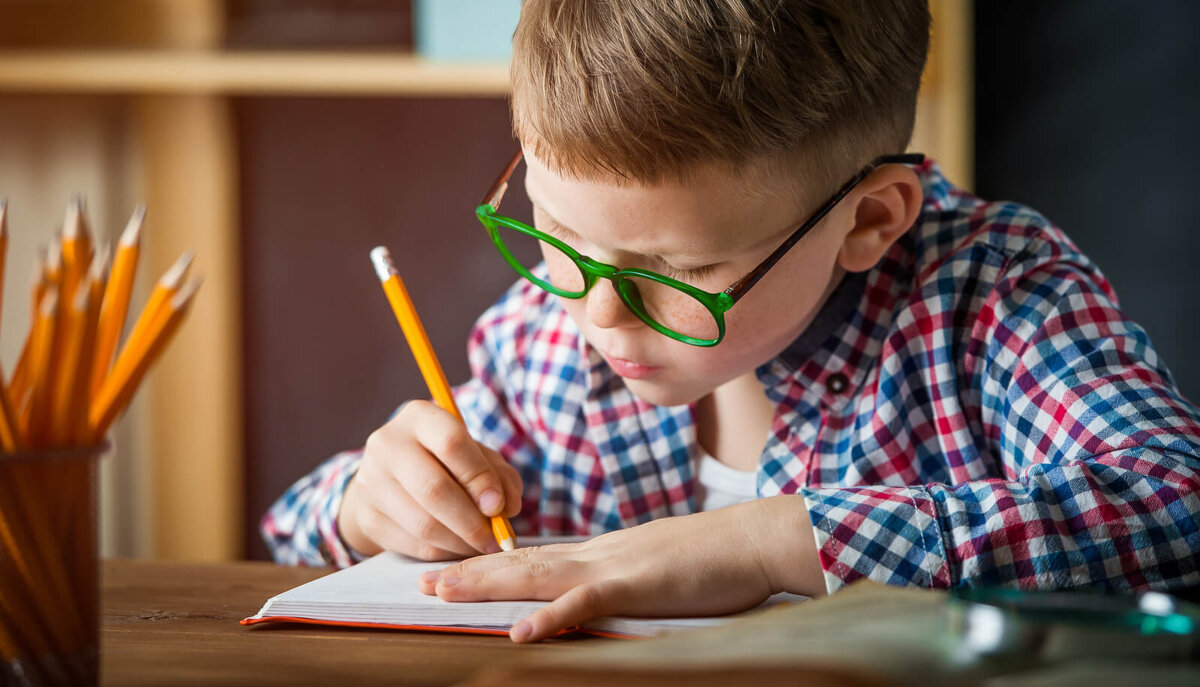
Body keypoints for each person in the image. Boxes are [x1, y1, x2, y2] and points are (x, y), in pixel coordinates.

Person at [263, 0, 1200, 643]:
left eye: (681, 269)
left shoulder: (995, 294)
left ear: (870, 220)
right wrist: (370, 500)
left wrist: (768, 541)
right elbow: (294, 530)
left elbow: (1173, 502)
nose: (597, 311)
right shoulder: (544, 344)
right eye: (554, 231)